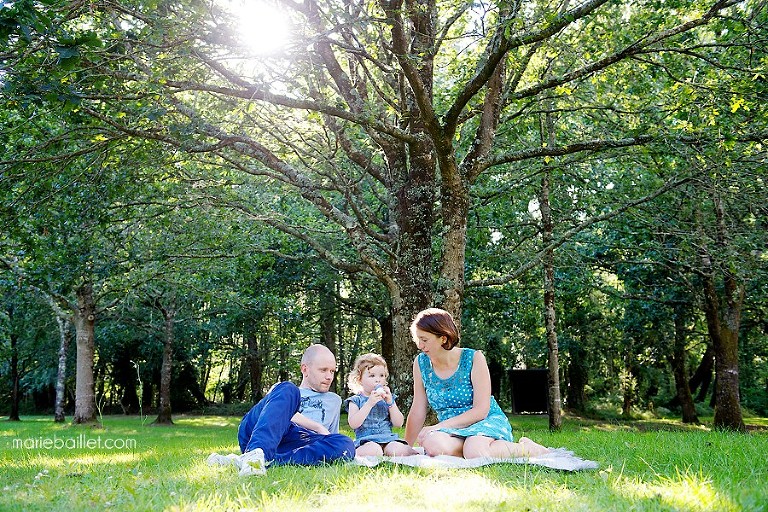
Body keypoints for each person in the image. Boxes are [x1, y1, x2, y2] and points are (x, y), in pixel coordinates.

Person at [405, 308, 550, 459]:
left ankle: (528, 449)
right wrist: (406, 447)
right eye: (418, 339)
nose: (420, 346)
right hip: (453, 430)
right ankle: (478, 448)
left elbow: (481, 410)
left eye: (424, 340)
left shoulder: (473, 358)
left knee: (474, 451)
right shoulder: (421, 363)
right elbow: (418, 409)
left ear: (443, 338)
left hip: (485, 421)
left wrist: (439, 426)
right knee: (433, 445)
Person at [235, 344, 356, 475]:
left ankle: (266, 461)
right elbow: (272, 416)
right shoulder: (285, 391)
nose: (329, 376)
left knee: (345, 443)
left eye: (332, 371)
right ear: (305, 369)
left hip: (299, 443)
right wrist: (317, 427)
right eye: (323, 370)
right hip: (261, 433)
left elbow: (330, 436)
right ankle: (255, 453)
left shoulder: (335, 400)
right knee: (288, 388)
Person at [344, 353, 416, 457]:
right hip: (367, 440)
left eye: (381, 375)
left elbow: (399, 423)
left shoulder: (387, 399)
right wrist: (369, 404)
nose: (378, 380)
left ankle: (416, 453)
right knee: (374, 450)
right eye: (372, 376)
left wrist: (391, 403)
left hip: (388, 439)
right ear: (360, 379)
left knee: (397, 450)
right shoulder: (355, 400)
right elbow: (353, 424)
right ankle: (351, 453)